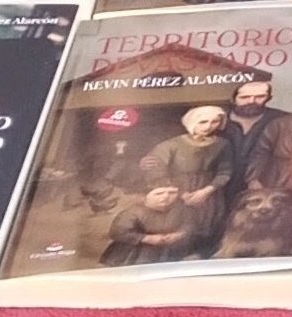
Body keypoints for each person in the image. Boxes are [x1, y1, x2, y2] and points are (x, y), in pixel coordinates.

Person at [100, 105, 238, 265]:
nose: (209, 127)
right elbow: (156, 171)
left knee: (207, 227)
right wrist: (181, 194)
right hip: (174, 192)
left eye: (215, 122)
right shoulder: (170, 145)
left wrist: (206, 191)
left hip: (209, 196)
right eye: (203, 122)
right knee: (177, 227)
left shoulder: (222, 144)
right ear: (192, 122)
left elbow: (225, 171)